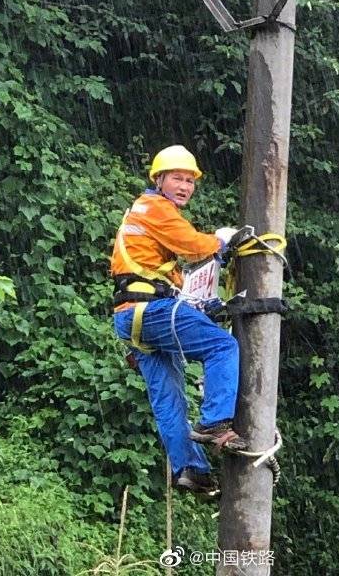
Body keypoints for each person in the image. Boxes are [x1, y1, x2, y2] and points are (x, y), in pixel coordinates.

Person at [110, 144, 247, 497]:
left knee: (169, 400)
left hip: (131, 319)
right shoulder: (155, 207)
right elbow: (192, 245)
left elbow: (178, 279)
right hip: (150, 311)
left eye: (190, 180)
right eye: (177, 178)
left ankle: (191, 469)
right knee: (222, 346)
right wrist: (224, 242)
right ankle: (216, 421)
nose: (185, 185)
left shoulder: (144, 214)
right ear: (159, 179)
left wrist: (203, 304)